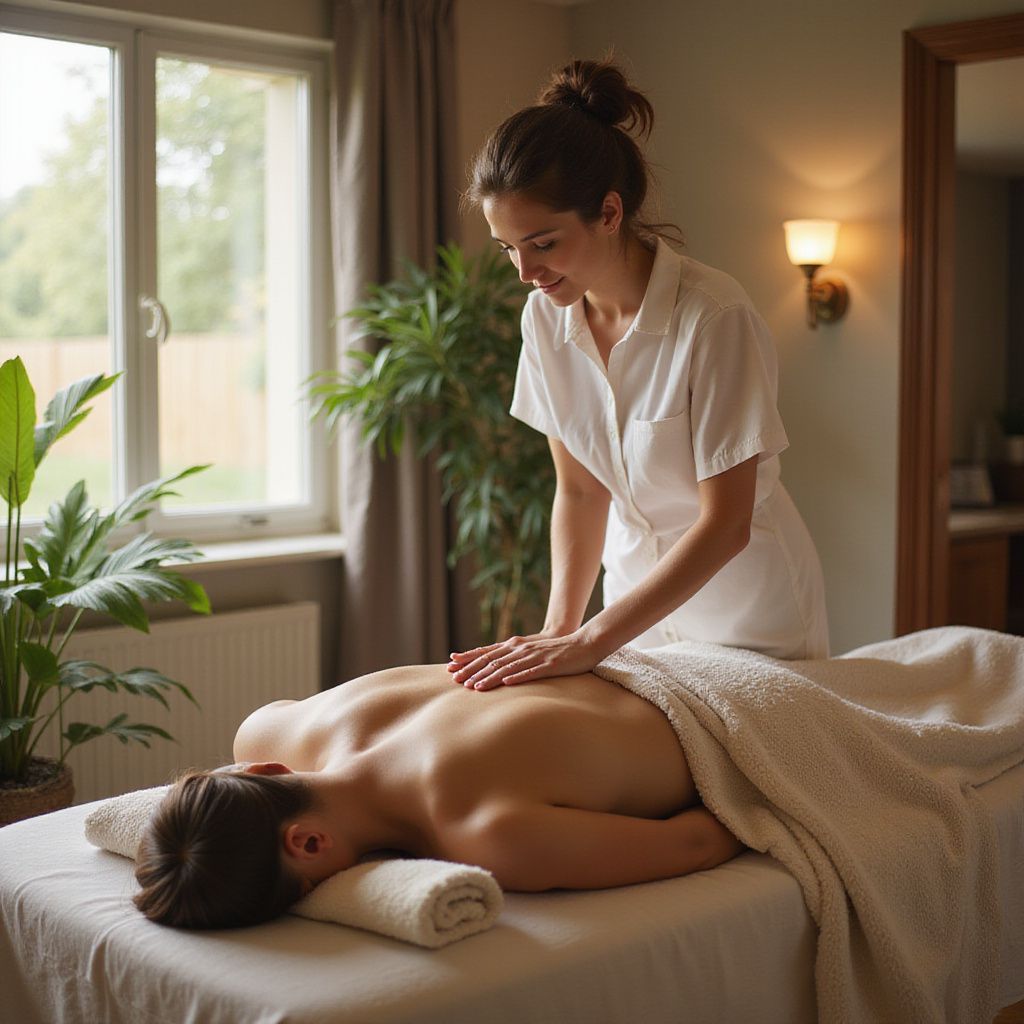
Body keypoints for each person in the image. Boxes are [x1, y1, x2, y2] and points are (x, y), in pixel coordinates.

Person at [448, 58, 828, 692]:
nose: (524, 272)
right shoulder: (545, 321)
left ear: (610, 212)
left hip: (749, 621)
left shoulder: (712, 316)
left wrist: (589, 640)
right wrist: (556, 635)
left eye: (543, 243)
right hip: (635, 619)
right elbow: (580, 491)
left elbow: (725, 523)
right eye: (508, 248)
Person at [133, 662, 743, 930]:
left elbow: (694, 841)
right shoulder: (275, 728)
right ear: (261, 770)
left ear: (310, 843)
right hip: (653, 661)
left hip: (719, 704)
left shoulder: (487, 834)